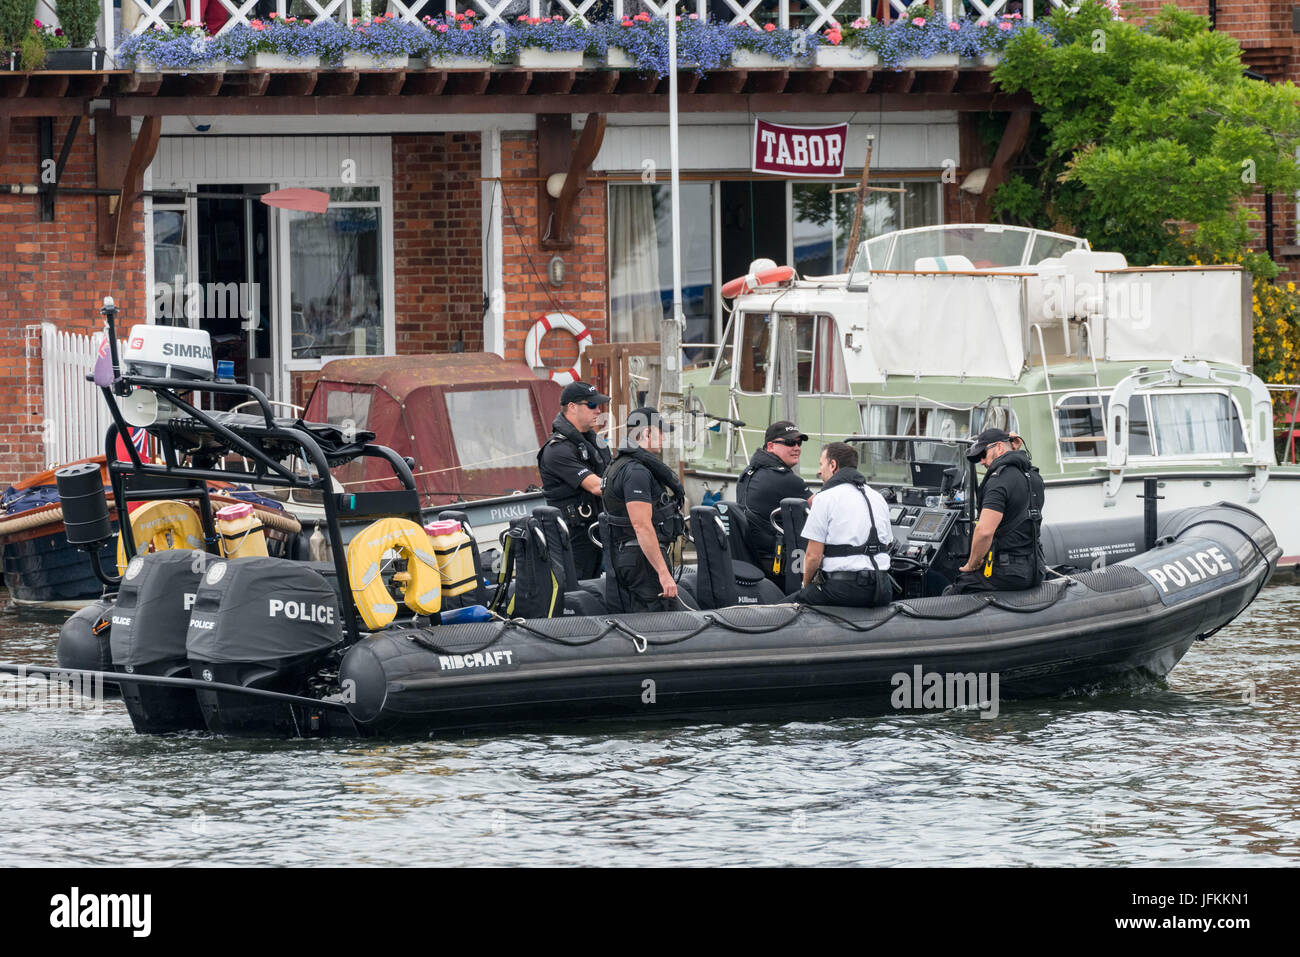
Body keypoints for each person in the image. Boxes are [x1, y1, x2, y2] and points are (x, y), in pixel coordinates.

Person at [602, 407, 686, 612]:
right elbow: (641, 526)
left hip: (627, 556)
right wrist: (663, 573)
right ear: (647, 432)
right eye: (661, 432)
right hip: (642, 560)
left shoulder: (617, 465)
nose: (664, 439)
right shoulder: (636, 471)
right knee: (661, 620)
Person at [791, 442, 893, 608]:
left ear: (833, 465)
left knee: (784, 607)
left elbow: (812, 556)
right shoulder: (878, 497)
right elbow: (887, 543)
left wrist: (806, 587)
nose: (819, 471)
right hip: (882, 589)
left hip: (844, 590)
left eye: (821, 464)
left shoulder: (825, 498)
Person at [948, 428, 1046, 594]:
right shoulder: (1034, 477)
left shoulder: (998, 481)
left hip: (1008, 573)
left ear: (1000, 447)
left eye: (983, 454)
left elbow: (985, 532)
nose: (982, 461)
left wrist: (972, 564)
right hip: (1036, 570)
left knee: (954, 591)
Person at [537, 381, 612, 579]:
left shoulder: (592, 441)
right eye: (592, 405)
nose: (598, 411)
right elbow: (597, 486)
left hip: (596, 530)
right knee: (579, 590)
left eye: (599, 405)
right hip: (572, 537)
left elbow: (613, 472)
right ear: (572, 407)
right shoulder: (557, 450)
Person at [736, 420, 813, 581]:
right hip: (777, 567)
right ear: (770, 446)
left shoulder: (748, 473)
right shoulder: (785, 480)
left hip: (751, 560)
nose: (797, 448)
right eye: (790, 442)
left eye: (799, 443)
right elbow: (821, 509)